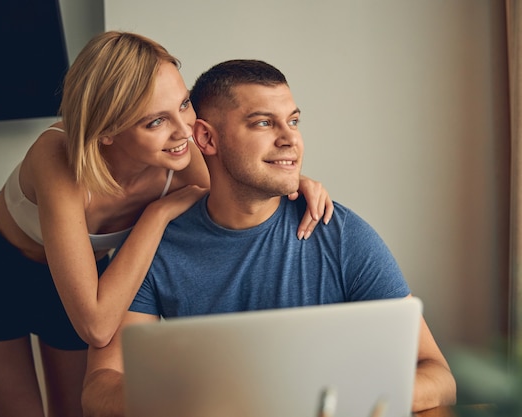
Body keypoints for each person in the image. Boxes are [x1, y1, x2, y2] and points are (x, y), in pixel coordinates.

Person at [81, 59, 457, 416]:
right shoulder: (157, 247)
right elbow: (100, 389)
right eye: (263, 123)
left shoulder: (339, 233)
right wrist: (194, 403)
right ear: (207, 138)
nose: (289, 139)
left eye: (293, 121)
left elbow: (438, 376)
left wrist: (319, 396)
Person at [0, 33, 333, 417]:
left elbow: (242, 182)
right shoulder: (57, 158)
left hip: (84, 278)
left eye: (184, 103)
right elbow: (97, 327)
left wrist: (292, 180)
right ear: (107, 132)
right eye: (155, 121)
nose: (185, 131)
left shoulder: (183, 156)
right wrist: (157, 214)